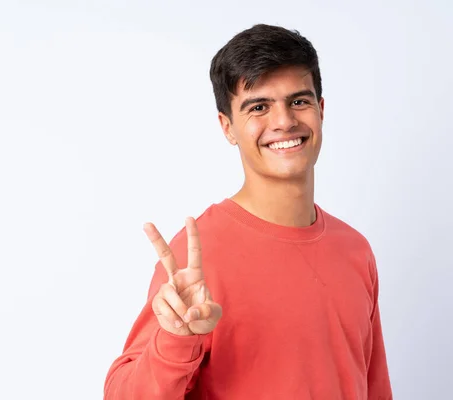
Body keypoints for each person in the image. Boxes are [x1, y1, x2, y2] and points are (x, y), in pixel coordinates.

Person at [104, 23, 393, 400]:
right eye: (259, 106)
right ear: (228, 127)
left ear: (321, 110)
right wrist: (175, 340)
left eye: (299, 101)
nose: (284, 121)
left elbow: (375, 389)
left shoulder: (355, 250)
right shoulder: (195, 258)